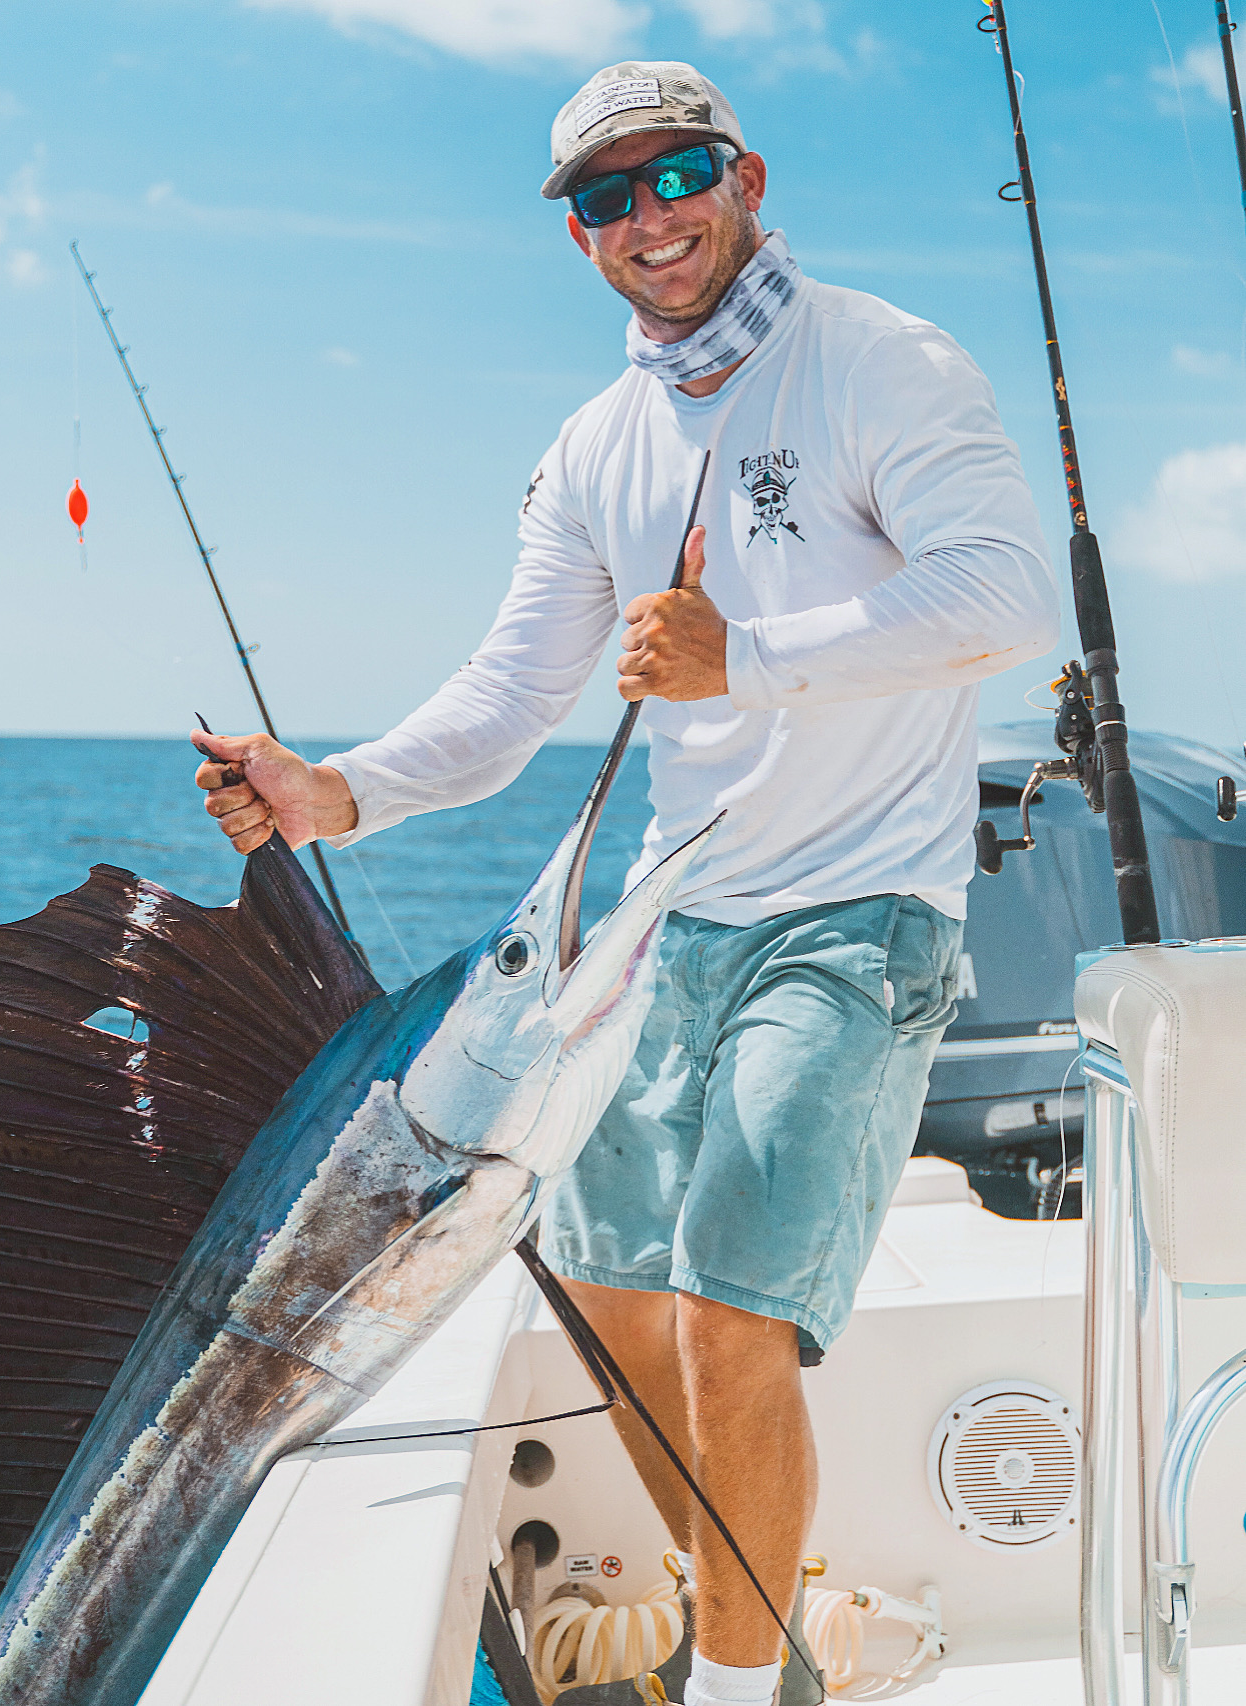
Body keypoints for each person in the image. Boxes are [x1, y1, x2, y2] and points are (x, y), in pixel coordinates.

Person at [193, 60, 1059, 1706]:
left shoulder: (879, 362)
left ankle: (736, 1691)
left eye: (672, 177)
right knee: (603, 1299)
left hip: (857, 913)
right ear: (577, 237)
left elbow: (1007, 597)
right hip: (669, 922)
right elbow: (515, 692)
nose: (646, 219)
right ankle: (749, 1628)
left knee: (728, 1317)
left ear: (740, 173)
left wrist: (754, 654)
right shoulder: (594, 444)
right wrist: (337, 790)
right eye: (604, 198)